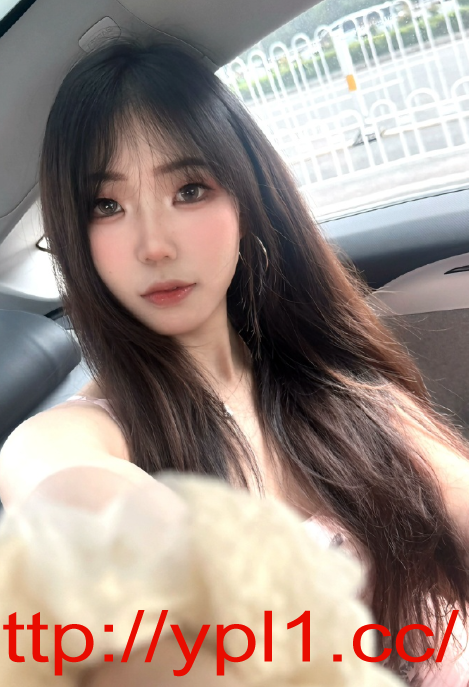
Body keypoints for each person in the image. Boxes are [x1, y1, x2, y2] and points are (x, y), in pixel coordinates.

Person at [0, 37, 468, 684]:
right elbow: (58, 483)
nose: (154, 245)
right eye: (106, 206)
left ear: (244, 202)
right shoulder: (88, 430)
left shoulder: (335, 385)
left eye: (189, 189)